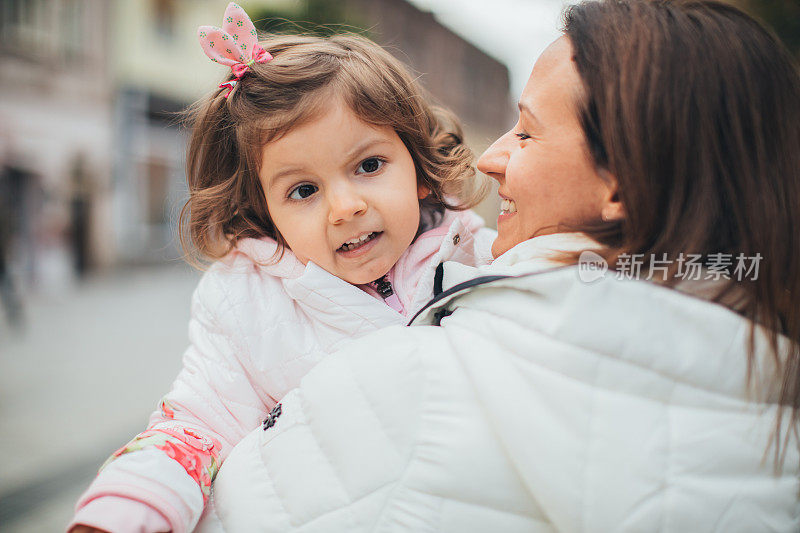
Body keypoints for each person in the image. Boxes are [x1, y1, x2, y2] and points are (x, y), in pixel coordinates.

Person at [194, 1, 800, 531]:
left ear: (623, 181)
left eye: (528, 133)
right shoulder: (765, 358)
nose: (490, 158)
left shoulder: (438, 370)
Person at [68, 3, 493, 532]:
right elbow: (194, 427)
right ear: (265, 213)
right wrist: (127, 509)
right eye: (304, 190)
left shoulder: (476, 254)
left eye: (368, 165)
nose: (345, 207)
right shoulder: (248, 306)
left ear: (420, 169)